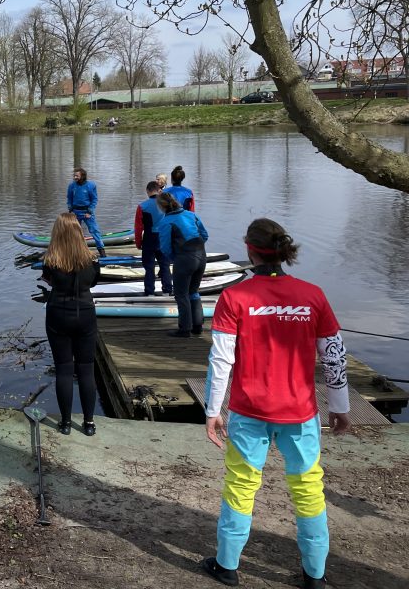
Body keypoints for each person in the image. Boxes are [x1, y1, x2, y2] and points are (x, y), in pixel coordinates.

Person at [201, 218, 351, 589]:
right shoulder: (312, 294)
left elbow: (222, 360)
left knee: (240, 484)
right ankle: (315, 576)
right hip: (300, 414)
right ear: (284, 251)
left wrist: (212, 410)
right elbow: (334, 355)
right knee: (307, 488)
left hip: (248, 413)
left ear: (249, 250)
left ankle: (227, 566)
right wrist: (340, 405)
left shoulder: (234, 297)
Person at [41, 213, 101, 436]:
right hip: (85, 313)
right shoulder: (92, 260)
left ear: (57, 233)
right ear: (79, 233)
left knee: (64, 369)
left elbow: (48, 280)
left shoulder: (50, 260)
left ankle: (65, 423)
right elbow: (94, 281)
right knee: (86, 369)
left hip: (58, 313)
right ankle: (89, 423)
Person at [156, 192, 208, 338]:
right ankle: (197, 326)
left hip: (184, 258)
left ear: (161, 206)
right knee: (194, 291)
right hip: (201, 256)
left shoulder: (166, 222)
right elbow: (204, 235)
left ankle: (184, 329)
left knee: (181, 294)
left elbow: (165, 247)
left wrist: (176, 259)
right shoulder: (191, 215)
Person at [134, 181, 173, 296]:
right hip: (164, 239)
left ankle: (149, 292)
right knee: (165, 266)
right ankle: (167, 291)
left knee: (149, 267)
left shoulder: (142, 206)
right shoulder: (167, 205)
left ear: (147, 191)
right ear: (159, 190)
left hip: (149, 239)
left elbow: (138, 228)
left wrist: (138, 243)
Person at [66, 167, 106, 257]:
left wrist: (90, 211)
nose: (75, 177)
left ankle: (102, 253)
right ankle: (75, 253)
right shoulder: (72, 186)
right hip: (75, 212)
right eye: (74, 175)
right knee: (74, 233)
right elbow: (69, 198)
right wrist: (70, 210)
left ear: (82, 176)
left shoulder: (91, 185)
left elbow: (94, 199)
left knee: (95, 231)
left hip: (87, 212)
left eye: (77, 176)